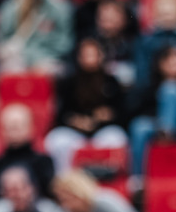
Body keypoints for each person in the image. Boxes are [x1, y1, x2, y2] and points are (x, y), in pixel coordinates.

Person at [44, 38, 129, 173]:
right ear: (79, 57)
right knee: (56, 139)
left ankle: (106, 176)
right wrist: (76, 121)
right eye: (86, 55)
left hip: (102, 132)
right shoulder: (68, 82)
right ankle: (65, 179)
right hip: (75, 133)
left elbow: (121, 114)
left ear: (101, 56)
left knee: (117, 137)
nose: (90, 59)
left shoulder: (111, 81)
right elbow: (61, 115)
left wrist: (106, 116)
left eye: (93, 54)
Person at [128, 45, 176, 175]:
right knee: (139, 126)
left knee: (171, 89)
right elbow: (138, 110)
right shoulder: (151, 86)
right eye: (173, 63)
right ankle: (138, 179)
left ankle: (168, 132)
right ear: (162, 64)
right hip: (158, 126)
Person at [0, 103, 56, 201]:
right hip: (4, 207)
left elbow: (48, 194)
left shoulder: (43, 162)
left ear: (31, 128)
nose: (12, 132)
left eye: (16, 126)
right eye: (8, 127)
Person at [51, 167, 139, 212]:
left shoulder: (104, 202)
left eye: (67, 199)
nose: (66, 205)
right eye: (62, 201)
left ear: (79, 194)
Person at [0, 165, 65, 212]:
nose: (17, 195)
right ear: (2, 193)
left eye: (21, 188)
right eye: (10, 190)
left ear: (32, 188)